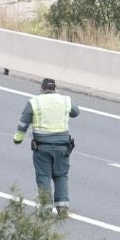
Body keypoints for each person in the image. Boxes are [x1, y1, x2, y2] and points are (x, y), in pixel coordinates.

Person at [13, 77, 79, 217]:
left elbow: (23, 123)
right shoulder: (65, 100)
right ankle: (63, 208)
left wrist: (18, 139)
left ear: (41, 89)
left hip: (42, 148)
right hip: (63, 148)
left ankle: (46, 208)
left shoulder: (35, 102)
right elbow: (76, 112)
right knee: (61, 175)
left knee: (44, 176)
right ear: (55, 89)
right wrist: (59, 96)